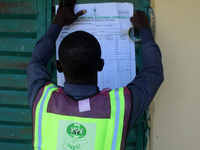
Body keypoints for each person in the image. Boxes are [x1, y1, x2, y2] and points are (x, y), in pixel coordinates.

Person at [27, 0, 164, 149]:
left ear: (58, 66)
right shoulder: (120, 106)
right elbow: (153, 72)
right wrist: (144, 27)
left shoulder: (41, 98)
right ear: (101, 65)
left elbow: (36, 61)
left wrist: (58, 21)